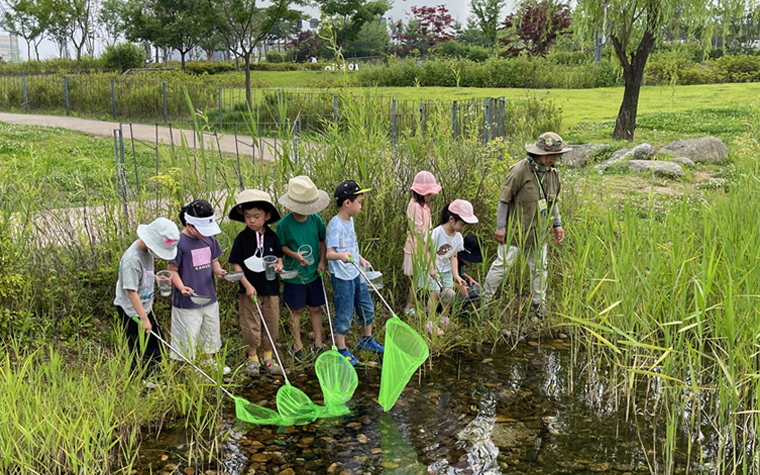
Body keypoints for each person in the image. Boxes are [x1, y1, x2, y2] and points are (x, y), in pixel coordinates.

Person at [483, 132, 569, 316]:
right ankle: (484, 302)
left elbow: (553, 202)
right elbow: (504, 200)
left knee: (540, 269)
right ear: (539, 153)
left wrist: (557, 224)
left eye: (557, 156)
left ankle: (539, 306)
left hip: (539, 233)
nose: (555, 159)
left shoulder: (553, 173)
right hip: (515, 231)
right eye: (552, 156)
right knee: (502, 266)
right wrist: (500, 228)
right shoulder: (519, 170)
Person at [167, 200, 230, 375]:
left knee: (210, 329)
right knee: (188, 334)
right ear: (189, 225)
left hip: (209, 295)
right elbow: (172, 271)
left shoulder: (209, 240)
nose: (206, 235)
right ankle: (190, 368)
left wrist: (218, 271)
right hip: (187, 301)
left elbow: (214, 260)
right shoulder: (179, 243)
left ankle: (208, 360)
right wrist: (181, 288)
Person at [325, 180, 384, 366]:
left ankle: (367, 339)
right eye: (359, 202)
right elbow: (330, 253)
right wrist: (341, 256)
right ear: (347, 203)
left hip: (356, 271)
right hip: (342, 276)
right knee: (345, 312)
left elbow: (352, 246)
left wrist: (360, 258)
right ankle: (341, 349)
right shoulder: (335, 225)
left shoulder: (350, 221)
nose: (361, 206)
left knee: (366, 305)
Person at [228, 189, 284, 376]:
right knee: (250, 324)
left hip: (271, 288)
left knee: (271, 322)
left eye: (256, 216)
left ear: (267, 216)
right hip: (249, 290)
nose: (251, 220)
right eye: (247, 216)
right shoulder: (242, 239)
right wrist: (246, 285)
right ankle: (252, 358)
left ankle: (268, 356)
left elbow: (278, 257)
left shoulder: (272, 237)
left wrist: (279, 266)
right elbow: (236, 263)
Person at [113, 217, 180, 374]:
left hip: (145, 307)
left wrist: (155, 278)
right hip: (132, 311)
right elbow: (131, 291)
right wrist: (143, 318)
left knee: (157, 345)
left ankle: (154, 378)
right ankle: (137, 380)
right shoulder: (132, 259)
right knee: (137, 347)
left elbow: (141, 276)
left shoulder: (147, 251)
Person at [276, 176, 329, 363]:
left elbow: (323, 240)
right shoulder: (284, 225)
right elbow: (280, 247)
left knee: (316, 307)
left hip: (314, 273)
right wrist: (293, 255)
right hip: (294, 276)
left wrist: (322, 262)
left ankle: (318, 343)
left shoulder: (316, 220)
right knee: (296, 310)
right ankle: (296, 346)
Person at [425, 200, 478, 333]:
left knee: (449, 295)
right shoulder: (437, 233)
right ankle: (430, 322)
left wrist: (456, 276)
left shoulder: (458, 237)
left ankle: (444, 318)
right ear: (451, 219)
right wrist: (431, 268)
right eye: (462, 224)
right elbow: (426, 250)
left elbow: (453, 256)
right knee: (435, 293)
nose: (463, 228)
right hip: (434, 268)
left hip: (446, 270)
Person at [402, 171, 441, 316]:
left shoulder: (423, 205)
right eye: (428, 193)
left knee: (420, 279)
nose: (430, 196)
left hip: (424, 246)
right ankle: (410, 306)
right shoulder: (415, 206)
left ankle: (414, 305)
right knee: (418, 280)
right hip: (417, 247)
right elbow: (419, 230)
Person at [453, 234, 483, 315]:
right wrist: (458, 287)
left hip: (459, 284)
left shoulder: (462, 263)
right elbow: (441, 281)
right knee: (464, 293)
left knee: (477, 290)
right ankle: (450, 311)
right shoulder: (451, 259)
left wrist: (468, 278)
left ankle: (458, 309)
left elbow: (459, 271)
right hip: (447, 289)